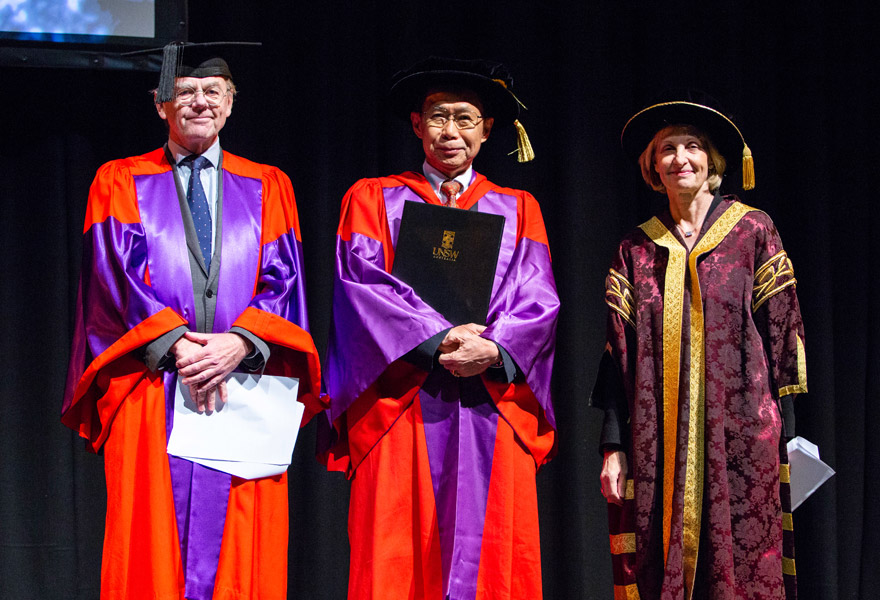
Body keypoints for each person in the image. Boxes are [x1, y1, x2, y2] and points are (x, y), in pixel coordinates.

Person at [61, 42, 322, 600]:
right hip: (150, 387)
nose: (199, 102)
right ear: (161, 104)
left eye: (212, 92)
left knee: (243, 547)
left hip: (243, 386)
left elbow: (285, 279)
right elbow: (113, 276)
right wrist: (177, 344)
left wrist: (241, 342)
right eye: (185, 92)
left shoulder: (269, 184)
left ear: (230, 103)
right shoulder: (119, 179)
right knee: (148, 545)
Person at [319, 56, 559, 600]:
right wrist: (438, 338)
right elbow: (362, 285)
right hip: (401, 398)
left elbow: (538, 298)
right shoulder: (372, 196)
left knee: (494, 551)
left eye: (465, 118)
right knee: (395, 553)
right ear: (416, 125)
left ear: (488, 129)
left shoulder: (520, 207)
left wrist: (493, 348)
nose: (450, 131)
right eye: (437, 116)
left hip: (489, 402)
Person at [591, 93, 807, 599]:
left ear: (712, 160)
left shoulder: (753, 229)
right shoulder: (636, 248)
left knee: (744, 566)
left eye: (692, 146)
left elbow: (783, 332)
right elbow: (615, 354)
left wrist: (790, 438)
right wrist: (613, 447)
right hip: (657, 440)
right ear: (653, 165)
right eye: (667, 148)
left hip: (742, 435)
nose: (680, 158)